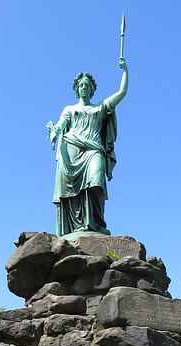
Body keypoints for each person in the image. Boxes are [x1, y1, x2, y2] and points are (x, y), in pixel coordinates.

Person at [47, 58, 128, 238]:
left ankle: (97, 224)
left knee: (96, 184)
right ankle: (78, 227)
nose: (84, 88)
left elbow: (121, 93)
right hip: (71, 150)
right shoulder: (69, 108)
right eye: (81, 86)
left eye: (87, 86)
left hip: (94, 151)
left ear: (92, 89)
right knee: (71, 192)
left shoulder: (99, 108)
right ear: (76, 89)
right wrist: (54, 133)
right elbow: (60, 125)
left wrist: (125, 71)